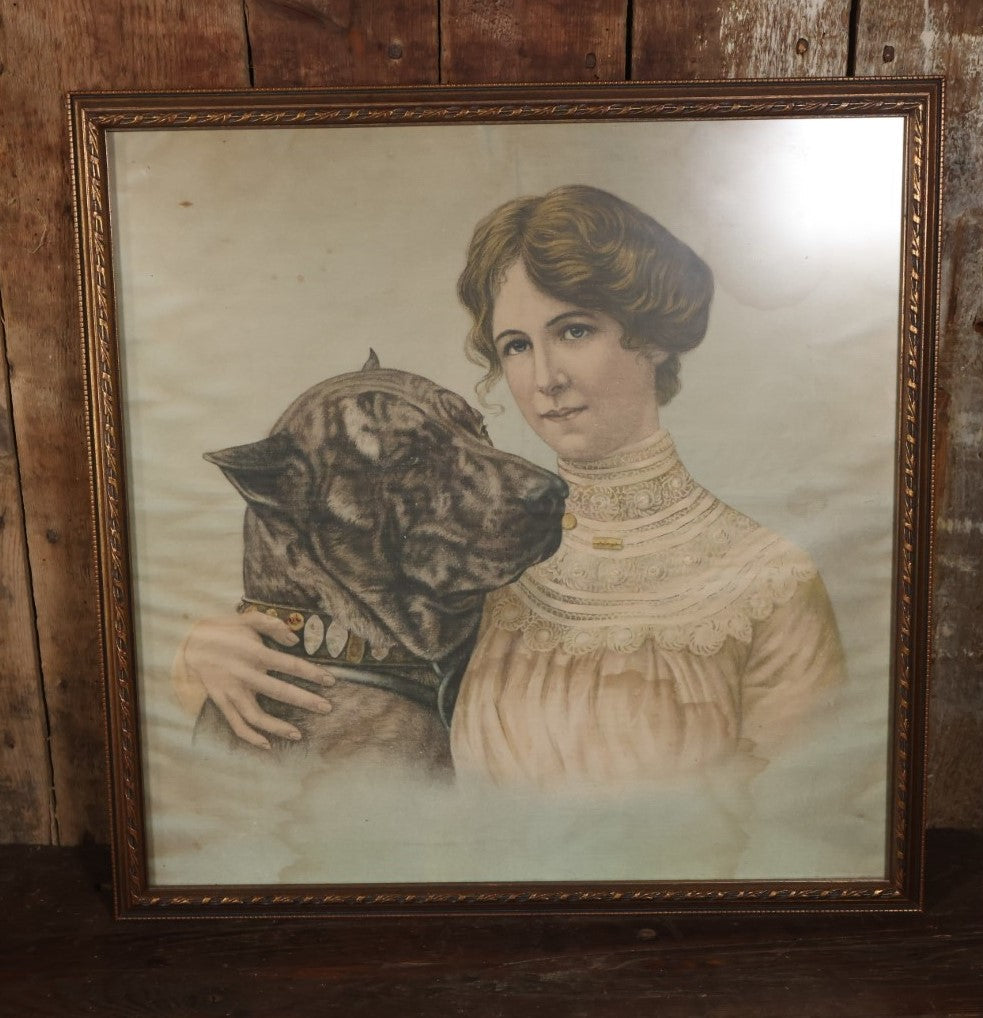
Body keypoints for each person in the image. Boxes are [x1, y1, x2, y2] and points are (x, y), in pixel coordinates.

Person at [176, 184, 845, 785]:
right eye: (516, 346)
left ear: (655, 337)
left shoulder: (768, 582)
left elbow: (809, 823)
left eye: (574, 330)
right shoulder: (473, 557)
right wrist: (203, 651)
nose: (544, 376)